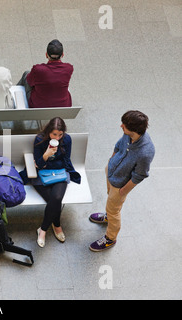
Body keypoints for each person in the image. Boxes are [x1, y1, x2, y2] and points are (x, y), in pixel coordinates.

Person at [89, 110, 155, 252]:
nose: (121, 126)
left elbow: (140, 175)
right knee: (110, 201)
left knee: (114, 210)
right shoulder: (128, 135)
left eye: (124, 125)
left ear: (134, 130)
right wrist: (111, 161)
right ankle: (107, 215)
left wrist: (122, 191)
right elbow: (118, 145)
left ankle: (110, 238)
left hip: (120, 185)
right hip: (111, 173)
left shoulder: (146, 152)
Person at [19, 117, 80, 248]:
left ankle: (43, 229)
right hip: (41, 176)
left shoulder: (67, 140)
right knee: (55, 202)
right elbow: (38, 164)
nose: (57, 138)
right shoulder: (40, 139)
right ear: (48, 132)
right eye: (54, 134)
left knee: (56, 198)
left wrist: (46, 163)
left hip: (59, 174)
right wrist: (46, 155)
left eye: (60, 134)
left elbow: (65, 162)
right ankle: (57, 225)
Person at [17, 39, 73, 108]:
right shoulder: (69, 68)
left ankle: (14, 92)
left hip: (38, 105)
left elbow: (30, 82)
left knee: (26, 74)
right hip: (63, 105)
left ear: (46, 55)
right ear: (62, 55)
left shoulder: (38, 69)